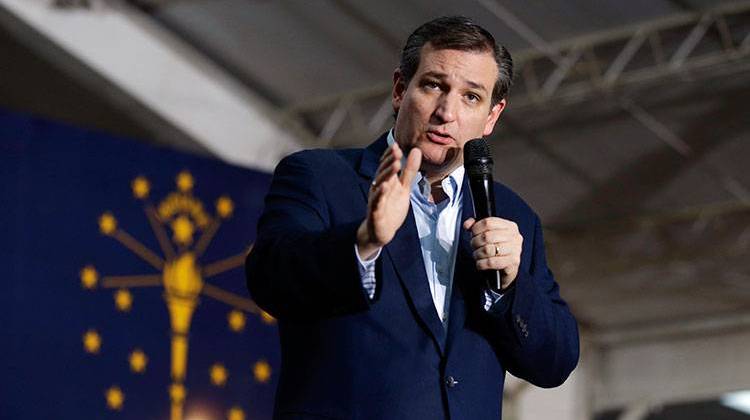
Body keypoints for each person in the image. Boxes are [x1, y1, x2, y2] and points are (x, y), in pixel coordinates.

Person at [246, 16, 579, 420]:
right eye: (434, 85)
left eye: (471, 97)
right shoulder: (321, 177)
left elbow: (556, 362)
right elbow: (271, 278)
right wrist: (364, 241)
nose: (447, 112)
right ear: (401, 90)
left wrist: (510, 286)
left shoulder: (512, 216)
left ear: (492, 117)